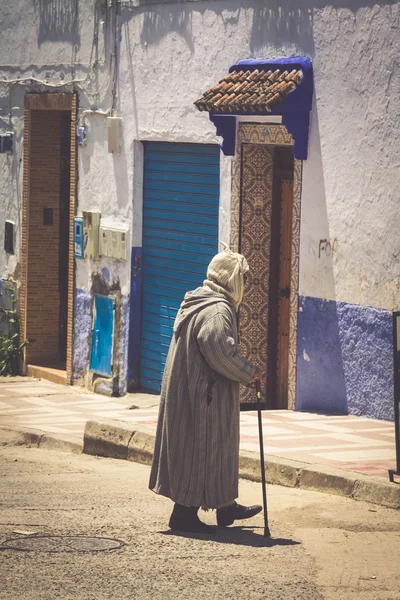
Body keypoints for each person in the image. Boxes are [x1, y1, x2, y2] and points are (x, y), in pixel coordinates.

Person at [149, 243, 262, 534]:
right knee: (202, 451)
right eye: (243, 278)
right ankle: (184, 514)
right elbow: (221, 354)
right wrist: (250, 373)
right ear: (231, 278)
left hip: (199, 392)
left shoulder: (204, 300)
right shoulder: (216, 310)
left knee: (218, 450)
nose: (245, 285)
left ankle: (225, 506)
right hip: (202, 397)